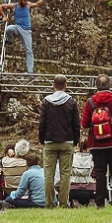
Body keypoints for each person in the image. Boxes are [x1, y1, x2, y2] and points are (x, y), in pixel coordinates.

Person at [83, 75, 112, 207]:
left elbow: (85, 123)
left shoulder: (90, 102)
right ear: (110, 85)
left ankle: (99, 203)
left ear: (96, 86)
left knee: (100, 173)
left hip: (96, 144)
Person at [38, 77, 81, 209]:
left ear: (53, 85)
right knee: (65, 174)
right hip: (67, 141)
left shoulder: (46, 102)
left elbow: (42, 123)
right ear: (66, 86)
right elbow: (76, 124)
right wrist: (76, 140)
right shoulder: (72, 102)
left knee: (48, 175)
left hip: (50, 141)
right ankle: (63, 203)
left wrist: (42, 139)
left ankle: (50, 203)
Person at [0, 0, 50, 73]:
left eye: (27, 0)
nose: (26, 2)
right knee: (8, 29)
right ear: (19, 0)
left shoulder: (28, 5)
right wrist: (4, 16)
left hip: (26, 31)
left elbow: (38, 4)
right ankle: (10, 41)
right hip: (17, 28)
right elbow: (0, 6)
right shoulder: (14, 6)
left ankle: (30, 72)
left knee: (29, 51)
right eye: (24, 0)